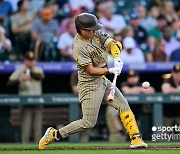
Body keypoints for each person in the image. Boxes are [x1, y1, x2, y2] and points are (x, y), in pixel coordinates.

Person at [39, 13, 147, 150]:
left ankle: (136, 138)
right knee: (88, 122)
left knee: (123, 105)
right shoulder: (78, 46)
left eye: (94, 28)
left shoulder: (95, 33)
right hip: (89, 84)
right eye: (90, 29)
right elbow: (90, 70)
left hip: (102, 80)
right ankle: (55, 134)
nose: (94, 31)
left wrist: (117, 57)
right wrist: (110, 70)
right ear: (81, 29)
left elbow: (113, 43)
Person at [8, 52, 44, 143]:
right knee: (26, 129)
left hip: (37, 102)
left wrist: (29, 71)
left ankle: (39, 148)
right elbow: (9, 82)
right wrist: (19, 79)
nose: (31, 62)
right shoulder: (20, 70)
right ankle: (25, 148)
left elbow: (40, 77)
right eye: (29, 60)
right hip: (25, 103)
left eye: (32, 60)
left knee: (38, 129)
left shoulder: (37, 69)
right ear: (25, 61)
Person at [161, 64, 180, 130]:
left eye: (179, 72)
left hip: (179, 113)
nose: (178, 74)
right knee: (165, 136)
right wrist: (177, 90)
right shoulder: (168, 80)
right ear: (172, 73)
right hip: (168, 113)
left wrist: (172, 90)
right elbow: (165, 90)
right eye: (176, 72)